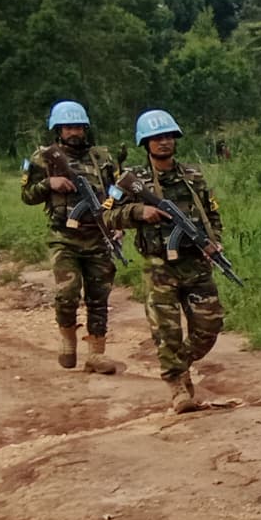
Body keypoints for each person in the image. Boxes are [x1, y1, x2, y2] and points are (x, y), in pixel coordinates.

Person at [105, 109, 225, 414]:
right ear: (145, 143)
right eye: (157, 138)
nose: (164, 142)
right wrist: (138, 212)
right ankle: (177, 387)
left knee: (210, 325)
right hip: (159, 266)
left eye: (169, 136)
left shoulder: (192, 176)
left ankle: (180, 364)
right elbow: (106, 215)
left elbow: (211, 213)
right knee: (166, 330)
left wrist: (214, 241)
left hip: (196, 263)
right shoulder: (130, 180)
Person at [18, 99, 123, 375]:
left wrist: (117, 221)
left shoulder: (102, 158)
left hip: (99, 236)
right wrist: (48, 183)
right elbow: (27, 195)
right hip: (63, 237)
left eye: (78, 127)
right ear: (58, 130)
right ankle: (67, 339)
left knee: (99, 297)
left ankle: (96, 354)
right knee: (67, 293)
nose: (74, 132)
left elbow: (118, 191)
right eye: (68, 128)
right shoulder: (43, 158)